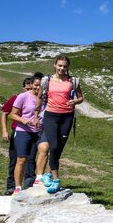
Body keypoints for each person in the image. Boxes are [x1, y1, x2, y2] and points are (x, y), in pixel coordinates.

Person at [38, 55, 84, 194]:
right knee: (54, 145)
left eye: (64, 66)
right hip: (51, 116)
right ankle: (56, 180)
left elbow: (81, 97)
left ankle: (47, 175)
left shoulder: (73, 81)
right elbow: (40, 98)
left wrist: (75, 102)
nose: (62, 68)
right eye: (59, 65)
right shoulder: (47, 80)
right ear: (54, 65)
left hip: (67, 117)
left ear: (67, 67)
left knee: (59, 149)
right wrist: (35, 115)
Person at [0, 77, 34, 195]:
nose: (28, 90)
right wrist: (4, 130)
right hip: (17, 131)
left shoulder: (36, 98)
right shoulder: (16, 97)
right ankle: (11, 186)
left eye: (31, 88)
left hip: (33, 131)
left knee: (30, 159)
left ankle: (28, 185)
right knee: (15, 158)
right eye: (27, 88)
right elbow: (4, 113)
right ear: (23, 87)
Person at [9, 76, 43, 195]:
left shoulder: (46, 97)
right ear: (31, 84)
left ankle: (32, 184)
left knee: (34, 158)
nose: (38, 88)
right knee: (21, 159)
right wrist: (24, 120)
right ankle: (17, 187)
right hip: (23, 130)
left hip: (38, 131)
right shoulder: (23, 96)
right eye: (36, 85)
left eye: (41, 85)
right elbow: (12, 114)